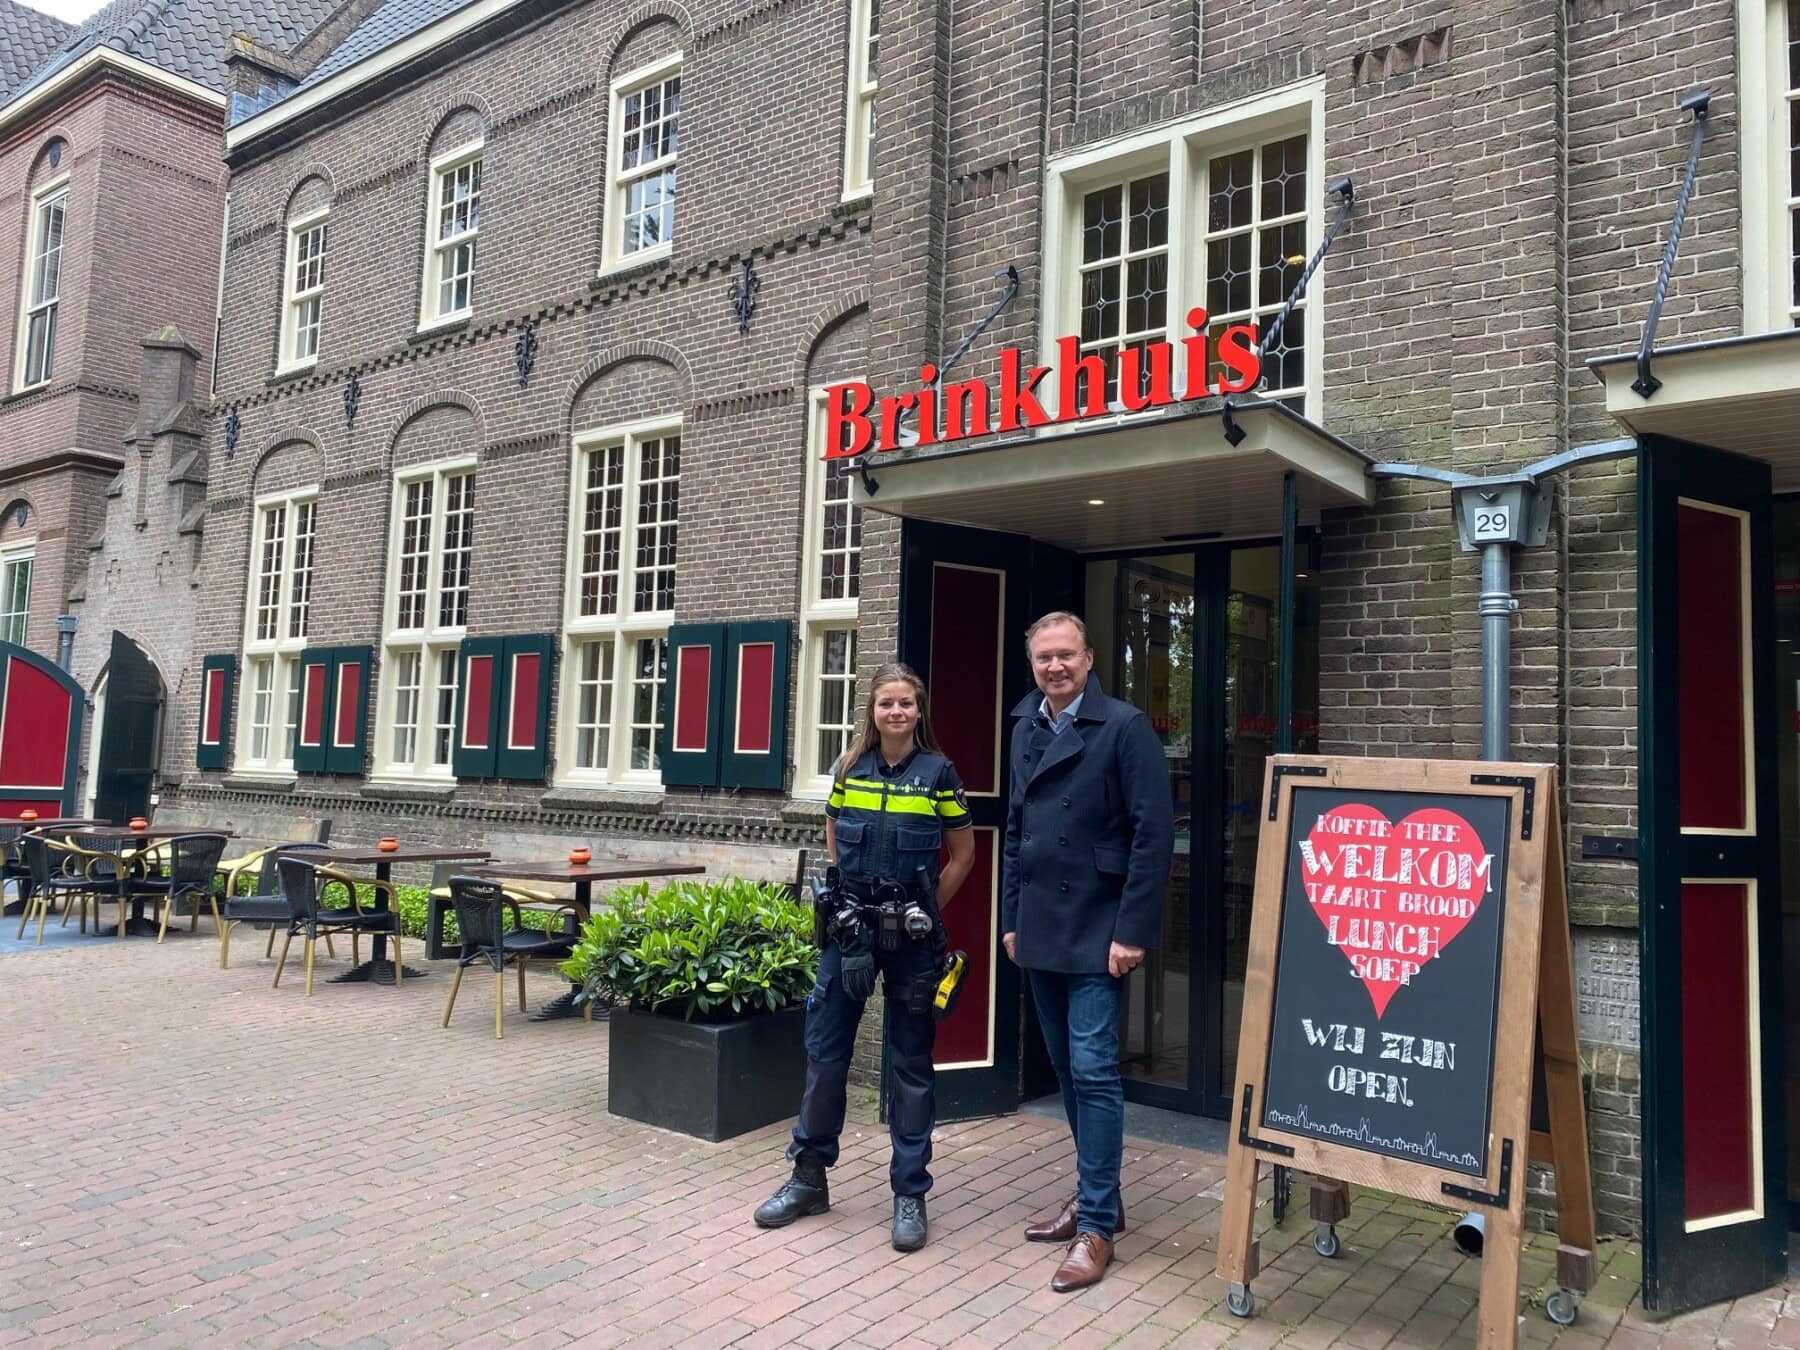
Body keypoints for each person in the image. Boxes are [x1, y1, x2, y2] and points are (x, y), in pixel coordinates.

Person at [753, 662, 975, 1252]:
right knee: (825, 1056)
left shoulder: (939, 774)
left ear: (918, 711)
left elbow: (964, 852)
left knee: (909, 1065)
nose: (896, 713)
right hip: (849, 935)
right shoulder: (849, 767)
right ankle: (807, 1178)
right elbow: (832, 829)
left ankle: (909, 1193)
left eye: (906, 704)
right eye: (886, 704)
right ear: (872, 712)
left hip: (911, 943)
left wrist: (929, 907)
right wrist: (845, 889)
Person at [1002, 611, 1174, 1293]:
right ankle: (1101, 1198)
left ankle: (1097, 1225)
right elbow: (1015, 830)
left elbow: (1152, 836)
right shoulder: (1025, 725)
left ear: (1089, 657)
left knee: (1096, 1072)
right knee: (1070, 1073)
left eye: (1066, 655)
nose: (1055, 667)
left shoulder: (1125, 728)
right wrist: (1012, 919)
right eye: (1044, 657)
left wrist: (1132, 931)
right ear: (1033, 663)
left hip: (1101, 930)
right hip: (1041, 928)